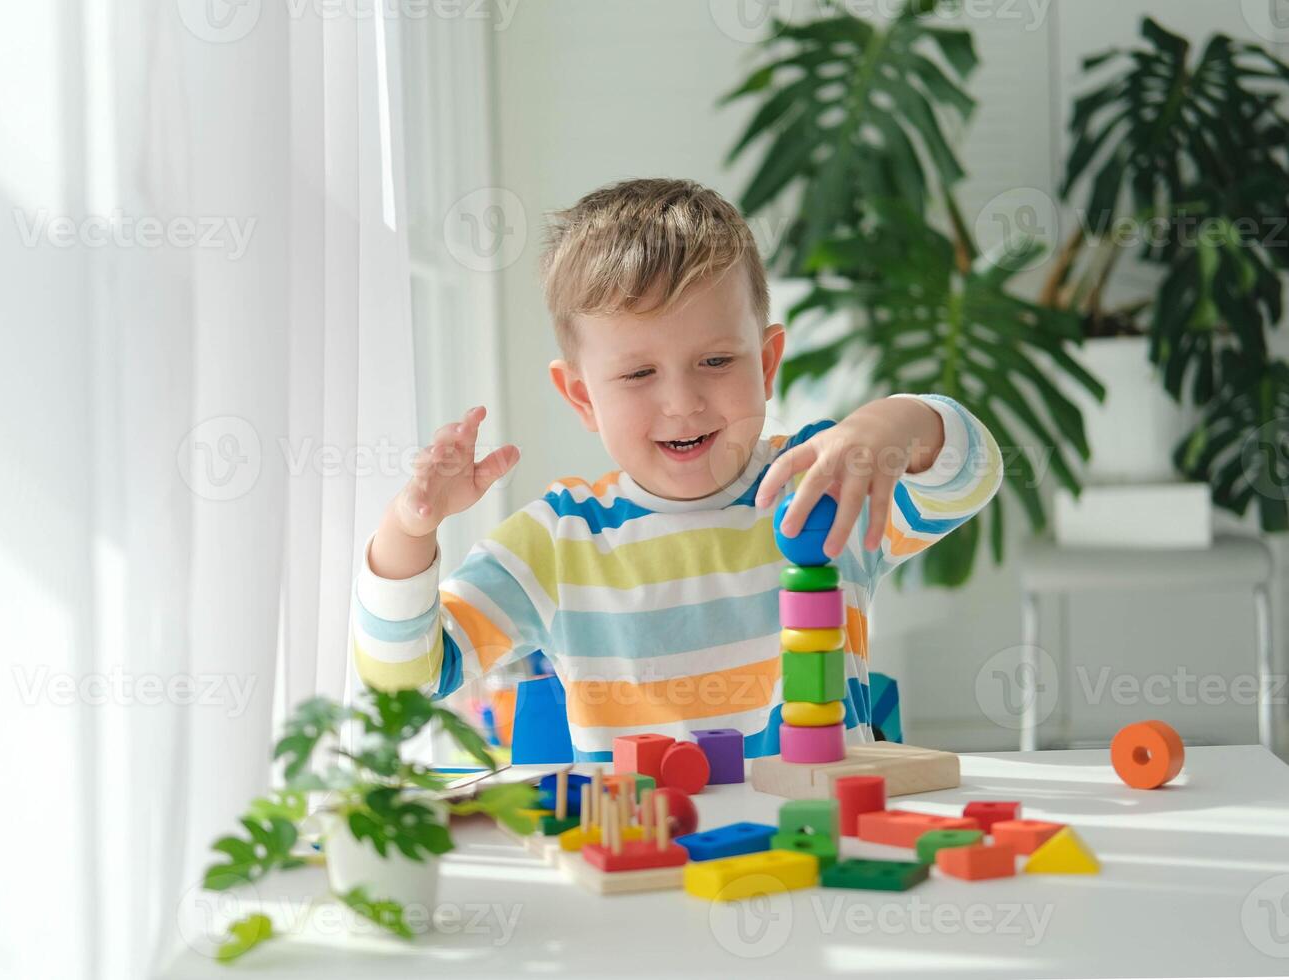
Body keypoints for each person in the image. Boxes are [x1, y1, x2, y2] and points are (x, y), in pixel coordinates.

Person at [351, 177, 1001, 760]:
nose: (682, 403)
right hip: (640, 870)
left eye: (716, 362)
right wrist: (409, 531)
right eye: (638, 373)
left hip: (818, 856)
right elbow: (402, 683)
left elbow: (968, 477)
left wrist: (891, 424)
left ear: (767, 364)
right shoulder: (557, 541)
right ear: (583, 397)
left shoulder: (822, 489)